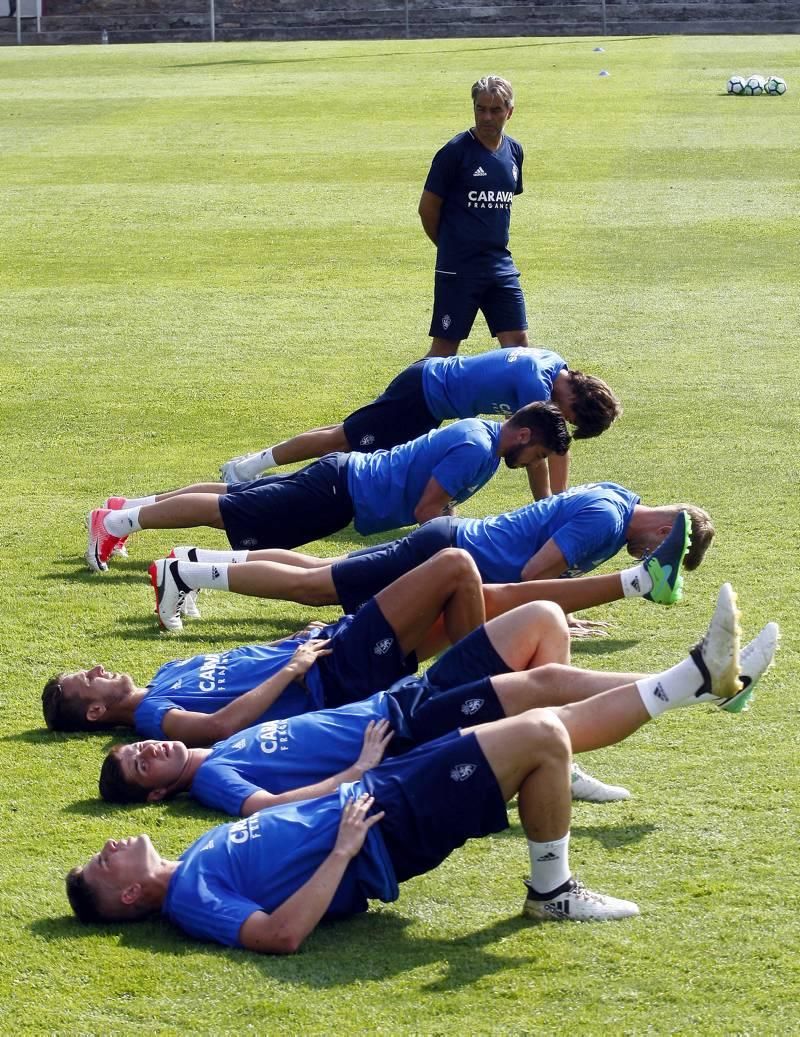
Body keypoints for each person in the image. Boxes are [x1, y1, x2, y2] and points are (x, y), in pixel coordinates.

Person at [66, 585, 772, 948]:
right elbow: (278, 934)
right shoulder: (192, 900)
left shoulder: (193, 859)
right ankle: (554, 886)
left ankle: (700, 678)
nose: (108, 847)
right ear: (128, 898)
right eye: (103, 864)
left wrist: (349, 781)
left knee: (544, 725)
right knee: (539, 730)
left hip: (376, 781)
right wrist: (343, 846)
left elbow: (273, 817)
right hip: (379, 822)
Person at [97, 605, 778, 815]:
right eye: (140, 762)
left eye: (136, 747)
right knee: (544, 710)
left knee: (542, 663)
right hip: (398, 734)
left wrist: (292, 650)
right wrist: (357, 769)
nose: (147, 748)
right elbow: (266, 810)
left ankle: (711, 680)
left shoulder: (222, 744)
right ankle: (703, 677)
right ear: (156, 787)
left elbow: (227, 710)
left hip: (392, 702)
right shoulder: (213, 781)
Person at [43, 551, 491, 745]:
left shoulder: (166, 674)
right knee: (454, 567)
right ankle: (489, 714)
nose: (97, 667)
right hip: (331, 675)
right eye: (87, 679)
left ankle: (482, 710)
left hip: (325, 649)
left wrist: (288, 642)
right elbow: (219, 728)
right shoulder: (151, 716)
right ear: (96, 712)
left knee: (461, 602)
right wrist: (293, 667)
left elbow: (241, 664)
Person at [86, 403, 570, 573]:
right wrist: (459, 541)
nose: (535, 465)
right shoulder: (475, 450)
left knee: (234, 502)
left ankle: (126, 509)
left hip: (343, 485)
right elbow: (428, 509)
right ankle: (115, 523)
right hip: (341, 491)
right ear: (524, 435)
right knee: (226, 511)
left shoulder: (481, 436)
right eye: (540, 456)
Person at [146, 492, 708, 628]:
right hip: (449, 555)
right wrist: (559, 612)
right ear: (665, 529)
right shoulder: (608, 523)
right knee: (317, 586)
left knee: (318, 571)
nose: (654, 556)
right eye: (666, 551)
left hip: (450, 541)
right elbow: (535, 576)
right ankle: (185, 574)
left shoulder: (617, 498)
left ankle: (198, 560)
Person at [219, 347, 622, 500]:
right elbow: (540, 455)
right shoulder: (535, 385)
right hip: (423, 393)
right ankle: (246, 470)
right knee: (344, 441)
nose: (561, 419)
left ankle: (253, 474)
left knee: (350, 444)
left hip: (431, 396)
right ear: (577, 400)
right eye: (569, 417)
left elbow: (556, 448)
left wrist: (559, 498)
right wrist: (551, 506)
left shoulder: (554, 365)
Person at [419, 75, 528, 358]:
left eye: (495, 110)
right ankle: (411, 401)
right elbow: (427, 208)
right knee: (444, 350)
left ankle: (524, 405)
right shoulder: (454, 153)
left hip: (499, 266)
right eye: (481, 109)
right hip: (459, 268)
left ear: (510, 111)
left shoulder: (514, 152)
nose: (487, 117)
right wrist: (450, 247)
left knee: (518, 347)